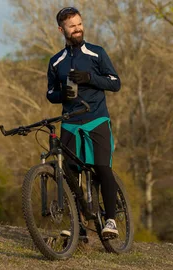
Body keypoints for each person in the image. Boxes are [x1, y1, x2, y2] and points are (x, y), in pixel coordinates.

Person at [46, 7, 121, 239]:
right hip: (70, 123)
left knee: (101, 167)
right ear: (62, 29)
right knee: (69, 171)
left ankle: (110, 221)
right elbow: (50, 93)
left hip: (96, 118)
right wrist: (63, 96)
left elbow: (115, 82)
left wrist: (91, 79)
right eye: (72, 26)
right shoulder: (56, 61)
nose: (77, 29)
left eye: (79, 24)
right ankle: (79, 224)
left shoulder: (96, 53)